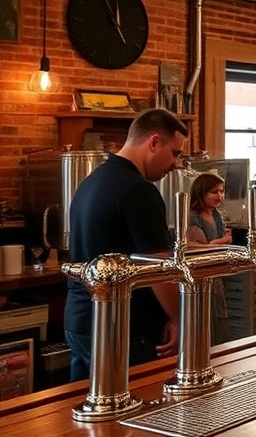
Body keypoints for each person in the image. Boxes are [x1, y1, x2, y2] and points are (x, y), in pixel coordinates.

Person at [64, 109, 187, 381]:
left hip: (80, 321)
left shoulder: (91, 181)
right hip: (123, 326)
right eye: (175, 153)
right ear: (154, 142)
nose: (176, 164)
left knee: (89, 416)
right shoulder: (138, 190)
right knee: (135, 416)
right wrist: (179, 320)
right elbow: (158, 268)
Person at [186, 172, 233, 346]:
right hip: (200, 277)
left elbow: (216, 244)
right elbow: (197, 247)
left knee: (219, 324)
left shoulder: (216, 215)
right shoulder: (193, 217)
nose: (220, 196)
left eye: (222, 191)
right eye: (214, 192)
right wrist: (221, 242)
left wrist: (217, 243)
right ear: (201, 193)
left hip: (217, 276)